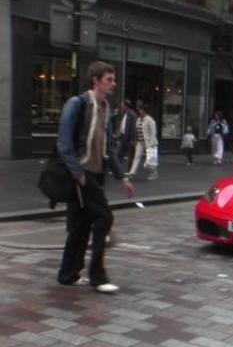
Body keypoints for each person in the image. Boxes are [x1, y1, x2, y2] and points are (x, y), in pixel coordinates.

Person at [56, 61, 134, 293]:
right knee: (104, 218)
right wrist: (78, 174)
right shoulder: (77, 104)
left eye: (113, 79)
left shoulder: (105, 107)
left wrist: (123, 176)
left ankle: (67, 274)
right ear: (96, 80)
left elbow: (109, 147)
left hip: (96, 174)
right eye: (109, 79)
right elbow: (64, 143)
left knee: (81, 225)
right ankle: (97, 276)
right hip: (81, 174)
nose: (113, 83)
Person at [128, 104, 158, 180]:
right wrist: (135, 140)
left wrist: (151, 144)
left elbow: (153, 133)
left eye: (141, 110)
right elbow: (137, 130)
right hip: (140, 142)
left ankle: (153, 173)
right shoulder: (138, 119)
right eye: (139, 110)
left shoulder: (150, 120)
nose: (139, 111)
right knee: (136, 156)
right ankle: (132, 173)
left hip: (149, 142)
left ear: (145, 111)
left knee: (151, 160)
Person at [116, 99, 137, 166]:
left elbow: (133, 127)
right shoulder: (125, 114)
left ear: (126, 106)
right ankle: (119, 167)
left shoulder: (132, 115)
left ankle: (130, 169)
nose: (121, 106)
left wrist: (132, 139)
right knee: (119, 153)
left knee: (130, 154)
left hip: (129, 137)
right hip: (123, 136)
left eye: (122, 105)